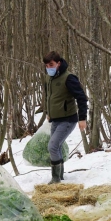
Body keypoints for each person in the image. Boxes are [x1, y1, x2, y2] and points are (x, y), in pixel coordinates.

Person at [42, 51, 88, 184]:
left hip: (68, 119)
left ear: (58, 63)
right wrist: (48, 112)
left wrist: (82, 118)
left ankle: (55, 179)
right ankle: (60, 177)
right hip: (55, 118)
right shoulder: (48, 78)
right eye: (46, 65)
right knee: (56, 146)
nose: (48, 67)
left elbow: (81, 97)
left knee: (52, 146)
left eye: (51, 64)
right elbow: (49, 97)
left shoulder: (69, 78)